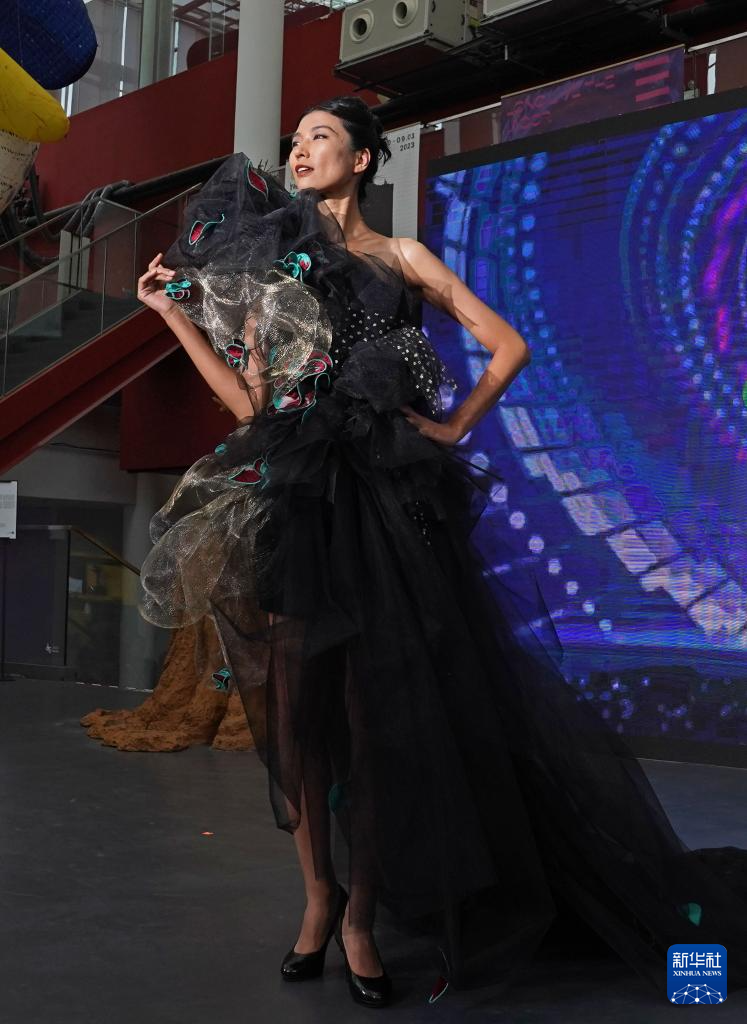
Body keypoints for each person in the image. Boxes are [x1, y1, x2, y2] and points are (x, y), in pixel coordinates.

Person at [136, 96, 747, 1010]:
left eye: (319, 137)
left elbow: (509, 343)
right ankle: (318, 899)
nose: (298, 150)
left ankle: (360, 920)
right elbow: (251, 406)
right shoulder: (275, 277)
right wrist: (171, 315)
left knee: (377, 724)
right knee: (299, 724)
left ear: (363, 159)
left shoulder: (402, 258)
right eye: (294, 140)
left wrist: (455, 424)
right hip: (302, 505)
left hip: (385, 507)